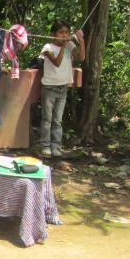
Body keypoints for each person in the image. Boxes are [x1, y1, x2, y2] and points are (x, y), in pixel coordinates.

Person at [39, 21, 86, 158]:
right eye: (61, 32)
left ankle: (56, 146)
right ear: (53, 34)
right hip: (49, 88)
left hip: (63, 88)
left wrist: (81, 40)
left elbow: (81, 57)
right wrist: (64, 46)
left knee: (57, 120)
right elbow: (57, 63)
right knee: (47, 119)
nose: (64, 35)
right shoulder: (47, 47)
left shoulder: (70, 45)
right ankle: (45, 146)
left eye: (66, 32)